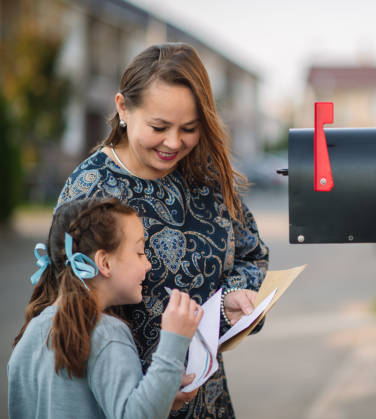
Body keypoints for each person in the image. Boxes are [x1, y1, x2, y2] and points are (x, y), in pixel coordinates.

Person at [56, 43, 269, 418]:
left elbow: (252, 254)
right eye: (159, 127)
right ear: (123, 108)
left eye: (189, 128)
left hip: (209, 403)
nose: (174, 143)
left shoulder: (206, 178)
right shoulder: (89, 192)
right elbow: (66, 317)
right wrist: (147, 395)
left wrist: (235, 298)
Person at [8, 198, 204, 418]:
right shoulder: (106, 333)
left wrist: (161, 393)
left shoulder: (29, 334)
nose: (148, 264)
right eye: (140, 252)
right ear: (105, 263)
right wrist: (174, 339)